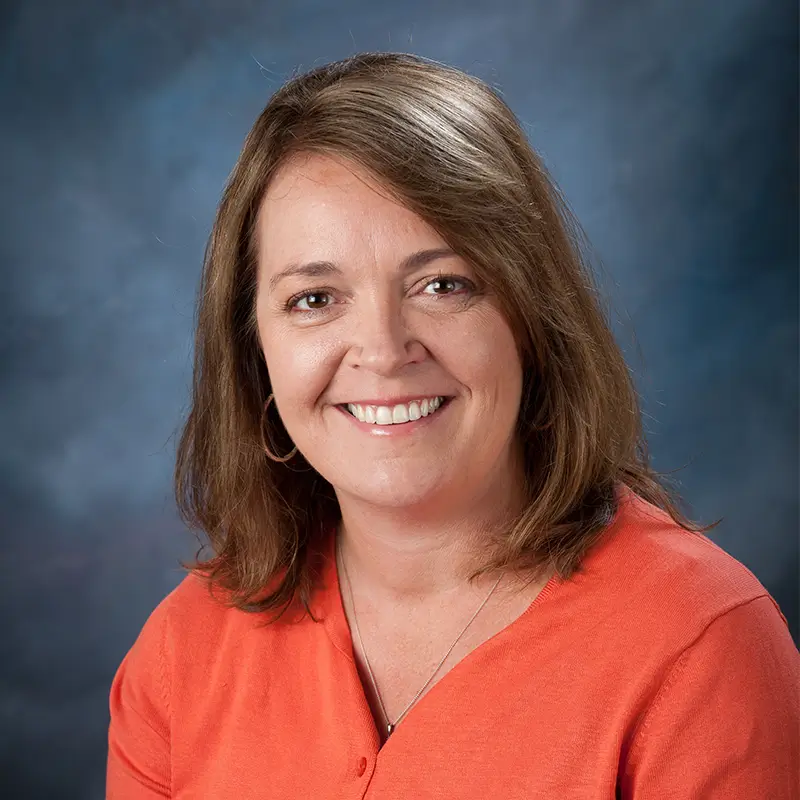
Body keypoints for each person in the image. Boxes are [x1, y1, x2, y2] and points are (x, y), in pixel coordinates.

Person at [106, 52, 799, 799]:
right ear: (256, 350)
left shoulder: (698, 645)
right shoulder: (181, 655)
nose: (382, 350)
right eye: (315, 299)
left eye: (442, 285)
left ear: (529, 317)